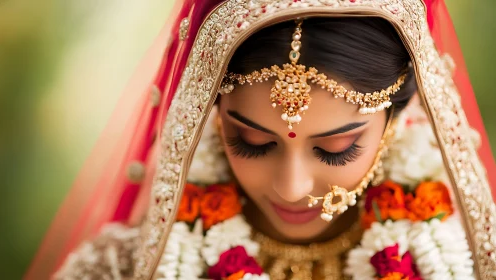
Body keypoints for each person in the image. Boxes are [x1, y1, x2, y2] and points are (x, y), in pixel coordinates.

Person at [26, 0, 496, 279]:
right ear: (205, 113)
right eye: (251, 140)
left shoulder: (465, 264)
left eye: (337, 148)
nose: (291, 188)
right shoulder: (120, 269)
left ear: (397, 116)